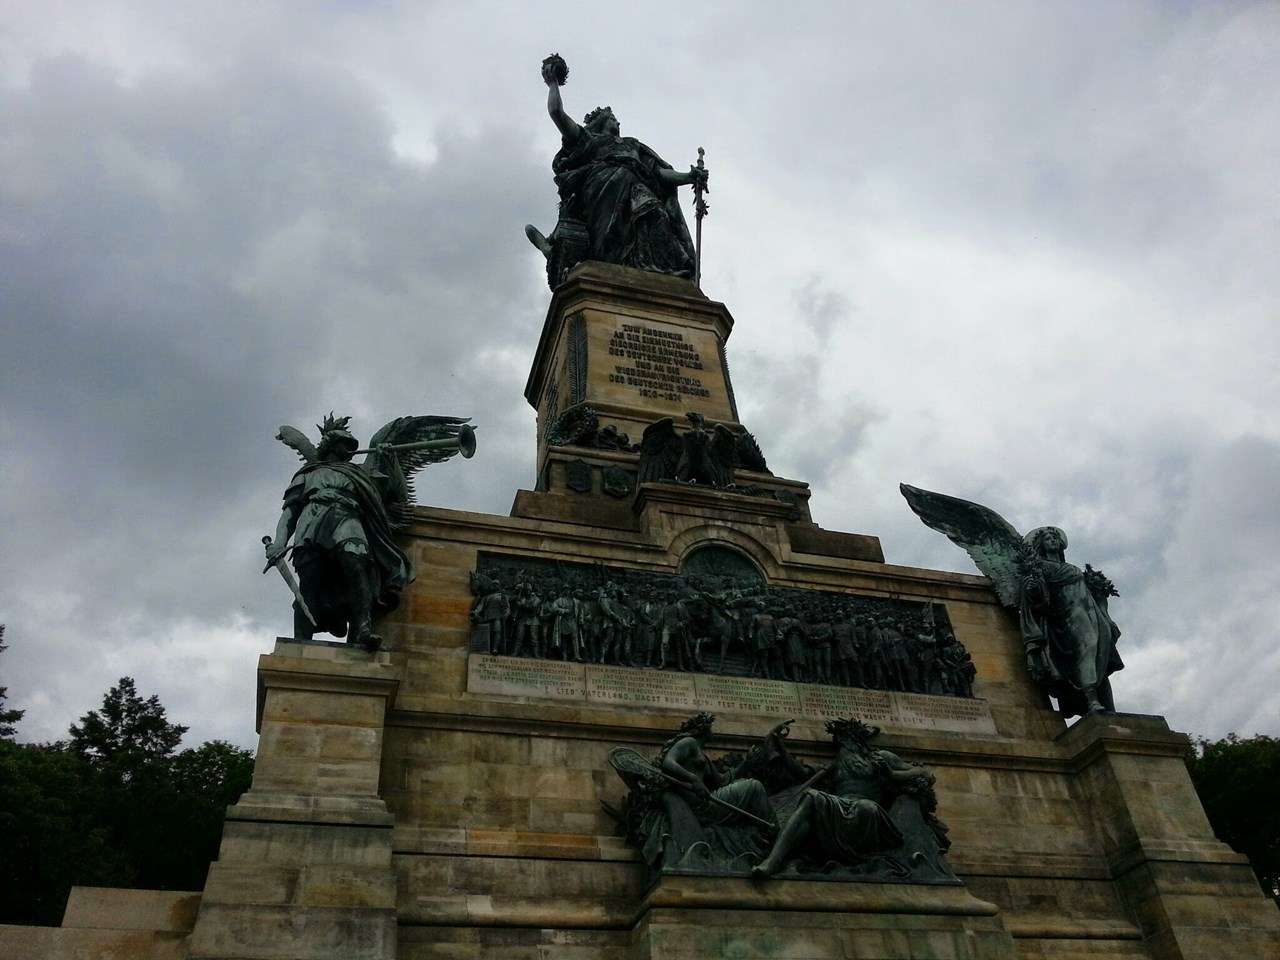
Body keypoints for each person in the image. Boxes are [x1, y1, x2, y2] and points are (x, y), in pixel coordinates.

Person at [535, 55, 706, 278]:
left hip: (637, 189)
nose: (618, 121)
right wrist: (553, 84)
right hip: (602, 192)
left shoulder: (632, 144)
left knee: (656, 215)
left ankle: (660, 271)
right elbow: (557, 113)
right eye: (613, 118)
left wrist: (688, 176)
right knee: (611, 236)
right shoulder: (590, 141)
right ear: (604, 122)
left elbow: (659, 173)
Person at [264, 418, 412, 651]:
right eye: (346, 444)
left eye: (352, 445)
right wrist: (279, 542)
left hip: (347, 518)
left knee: (357, 564)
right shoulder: (309, 474)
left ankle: (362, 629)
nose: (351, 450)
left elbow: (398, 494)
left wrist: (389, 460)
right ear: (331, 445)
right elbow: (290, 512)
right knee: (310, 580)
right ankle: (301, 639)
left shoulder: (361, 473)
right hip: (312, 520)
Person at [751, 718, 941, 878]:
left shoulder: (879, 757)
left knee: (868, 807)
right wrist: (782, 749)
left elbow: (923, 774)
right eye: (839, 740)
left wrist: (891, 773)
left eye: (845, 739)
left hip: (867, 811)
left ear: (857, 740)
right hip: (838, 809)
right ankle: (773, 861)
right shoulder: (834, 766)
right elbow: (803, 774)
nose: (841, 743)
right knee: (811, 797)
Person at [1019, 526, 1123, 716]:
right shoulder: (1040, 566)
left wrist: (1105, 612)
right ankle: (1092, 701)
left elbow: (1093, 595)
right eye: (1048, 538)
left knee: (1101, 655)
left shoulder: (1073, 568)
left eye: (1054, 538)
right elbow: (1037, 597)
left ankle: (1107, 705)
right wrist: (1033, 588)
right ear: (1040, 545)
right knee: (1086, 650)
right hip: (1066, 618)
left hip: (1091, 615)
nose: (1052, 541)